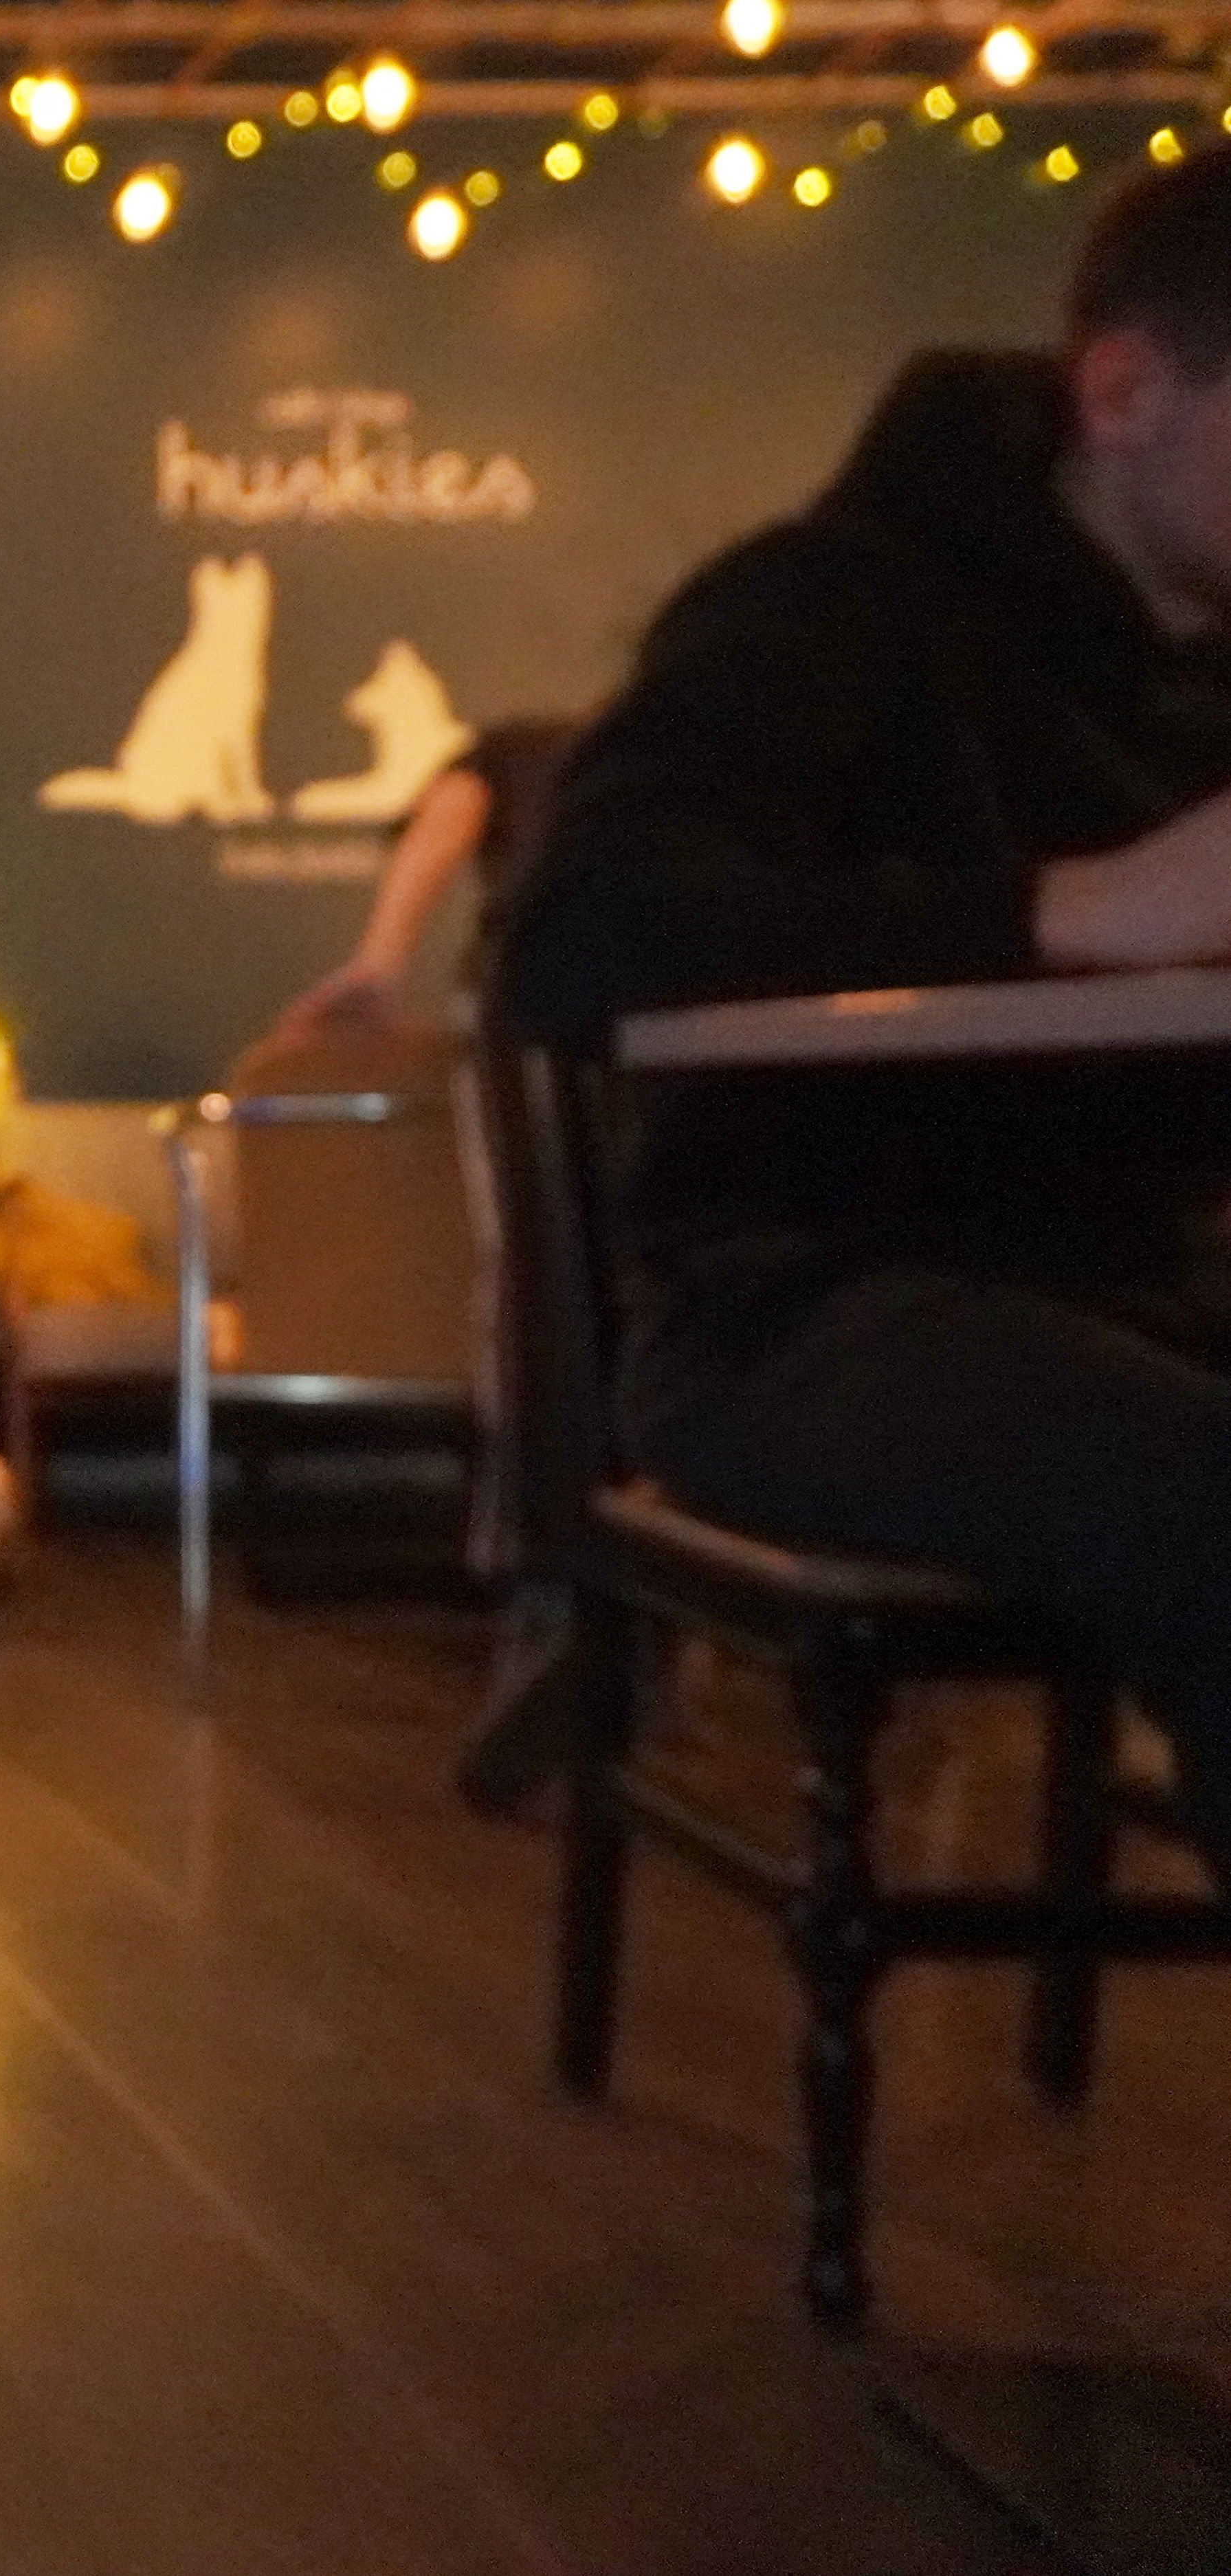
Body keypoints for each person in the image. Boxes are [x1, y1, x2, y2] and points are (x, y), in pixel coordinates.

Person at [491, 146, 1231, 1873]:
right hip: (793, 1301)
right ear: (1122, 391)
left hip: (1127, 1280)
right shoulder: (822, 605)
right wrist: (1077, 908)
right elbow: (576, 936)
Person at [271, 718, 582, 1044]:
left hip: (537, 998)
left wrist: (377, 965)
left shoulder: (540, 748)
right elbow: (456, 806)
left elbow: (454, 808)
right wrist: (375, 969)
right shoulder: (567, 749)